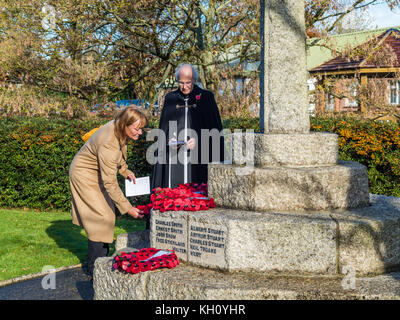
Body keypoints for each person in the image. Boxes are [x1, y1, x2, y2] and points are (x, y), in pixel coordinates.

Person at [69, 106, 147, 277]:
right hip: (84, 175)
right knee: (101, 218)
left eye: (141, 128)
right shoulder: (108, 142)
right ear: (125, 124)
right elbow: (110, 182)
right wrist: (128, 208)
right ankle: (95, 270)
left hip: (95, 172)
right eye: (137, 128)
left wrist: (125, 171)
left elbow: (118, 155)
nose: (140, 132)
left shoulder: (118, 127)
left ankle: (100, 263)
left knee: (106, 216)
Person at [151, 63, 224, 190]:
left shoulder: (206, 97)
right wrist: (169, 140)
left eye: (188, 82)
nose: (184, 87)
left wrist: (200, 141)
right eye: (181, 82)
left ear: (194, 80)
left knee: (198, 192)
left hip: (199, 158)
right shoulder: (170, 98)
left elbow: (215, 130)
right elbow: (164, 128)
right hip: (174, 158)